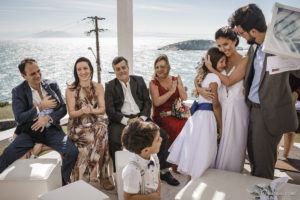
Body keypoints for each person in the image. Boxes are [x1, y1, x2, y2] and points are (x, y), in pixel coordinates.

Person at [230, 4, 300, 179]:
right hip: (251, 109)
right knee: (253, 158)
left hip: (269, 113)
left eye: (241, 33)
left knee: (263, 166)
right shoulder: (254, 46)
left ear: (253, 31)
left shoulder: (281, 46)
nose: (240, 36)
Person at [0, 58, 78, 185]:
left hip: (52, 130)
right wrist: (41, 107)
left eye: (38, 71)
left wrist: (48, 118)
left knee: (72, 152)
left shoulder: (51, 84)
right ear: (23, 76)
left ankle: (61, 182)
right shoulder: (18, 91)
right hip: (31, 131)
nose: (38, 75)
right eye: (33, 74)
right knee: (7, 154)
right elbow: (20, 118)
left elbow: (63, 108)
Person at [105, 56, 179, 186]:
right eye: (118, 69)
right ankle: (119, 174)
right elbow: (110, 111)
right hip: (121, 120)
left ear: (128, 68)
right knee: (115, 139)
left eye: (123, 67)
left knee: (161, 135)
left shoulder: (138, 80)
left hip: (141, 116)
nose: (121, 71)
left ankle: (164, 171)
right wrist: (127, 121)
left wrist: (141, 118)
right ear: (114, 71)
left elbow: (147, 102)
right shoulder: (110, 86)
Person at [167, 48, 224, 178]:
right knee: (204, 150)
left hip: (197, 117)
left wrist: (198, 88)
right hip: (206, 117)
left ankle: (191, 179)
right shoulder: (215, 77)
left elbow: (196, 81)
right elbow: (216, 106)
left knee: (194, 150)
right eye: (221, 62)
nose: (224, 65)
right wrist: (221, 126)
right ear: (214, 62)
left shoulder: (206, 76)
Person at [204, 26, 249, 173]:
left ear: (235, 41)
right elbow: (201, 75)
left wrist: (212, 69)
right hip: (221, 108)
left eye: (226, 44)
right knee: (217, 145)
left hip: (238, 110)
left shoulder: (245, 60)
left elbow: (229, 81)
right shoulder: (221, 60)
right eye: (219, 45)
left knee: (235, 147)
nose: (222, 49)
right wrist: (199, 89)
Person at [65, 57, 114, 190]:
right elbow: (71, 113)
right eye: (79, 69)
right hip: (77, 126)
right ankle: (101, 175)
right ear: (76, 72)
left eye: (85, 68)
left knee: (101, 128)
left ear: (91, 70)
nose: (83, 72)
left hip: (94, 123)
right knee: (101, 135)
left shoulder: (98, 87)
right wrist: (82, 111)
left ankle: (88, 174)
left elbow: (102, 110)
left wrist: (92, 110)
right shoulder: (71, 89)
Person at [149, 54, 188, 146]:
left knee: (187, 123)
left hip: (176, 113)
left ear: (168, 67)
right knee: (175, 126)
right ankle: (173, 156)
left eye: (162, 67)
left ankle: (183, 155)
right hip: (161, 115)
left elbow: (184, 98)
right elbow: (157, 102)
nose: (159, 69)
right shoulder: (153, 83)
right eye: (157, 67)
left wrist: (180, 87)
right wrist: (171, 92)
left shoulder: (176, 79)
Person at [122, 121, 162, 200]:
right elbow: (128, 197)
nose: (161, 139)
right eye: (157, 139)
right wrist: (150, 197)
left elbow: (157, 178)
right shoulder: (132, 171)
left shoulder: (154, 156)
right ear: (146, 150)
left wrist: (158, 194)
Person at [279, 74, 300, 160]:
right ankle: (274, 154)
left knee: (291, 129)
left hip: (296, 96)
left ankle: (285, 156)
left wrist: (297, 93)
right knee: (276, 126)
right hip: (280, 91)